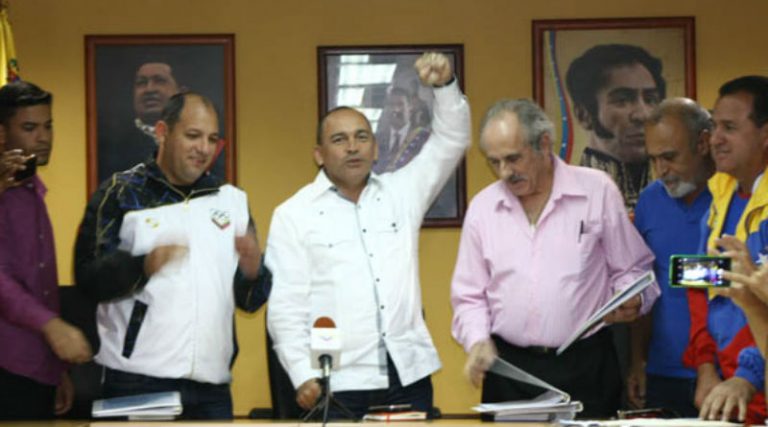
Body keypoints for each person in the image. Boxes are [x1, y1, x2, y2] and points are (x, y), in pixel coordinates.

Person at [266, 52, 470, 418]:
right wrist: (300, 374)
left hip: (407, 374)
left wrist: (444, 86)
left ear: (375, 148)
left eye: (362, 137)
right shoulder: (293, 215)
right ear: (319, 154)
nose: (353, 147)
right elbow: (285, 306)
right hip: (337, 380)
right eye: (339, 139)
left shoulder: (401, 194)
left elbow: (451, 141)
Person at [450, 98, 659, 418]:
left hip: (586, 365)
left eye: (513, 158)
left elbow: (633, 269)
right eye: (494, 162)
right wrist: (477, 340)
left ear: (544, 144)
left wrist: (634, 298)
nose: (505, 172)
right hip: (510, 370)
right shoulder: (483, 208)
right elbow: (469, 295)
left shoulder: (596, 190)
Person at [75, 92, 268, 420]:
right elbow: (88, 279)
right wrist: (142, 266)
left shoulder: (232, 201)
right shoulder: (121, 192)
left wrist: (253, 272)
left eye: (212, 139)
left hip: (213, 388)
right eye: (193, 135)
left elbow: (250, 301)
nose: (203, 148)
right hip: (136, 381)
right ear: (163, 132)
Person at [0, 81, 93, 420]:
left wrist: (56, 370)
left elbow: (41, 287)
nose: (43, 137)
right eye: (29, 128)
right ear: (1, 133)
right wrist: (51, 326)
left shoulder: (32, 190)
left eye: (48, 126)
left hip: (37, 367)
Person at [682, 76, 768, 424]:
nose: (715, 139)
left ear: (766, 134)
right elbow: (699, 289)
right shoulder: (719, 199)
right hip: (724, 386)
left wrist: (749, 375)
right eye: (714, 126)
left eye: (729, 128)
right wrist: (705, 367)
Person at [627, 98, 714, 416]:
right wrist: (637, 360)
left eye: (669, 157)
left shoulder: (734, 197)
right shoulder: (650, 200)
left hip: (728, 374)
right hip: (662, 372)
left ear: (703, 143)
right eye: (653, 159)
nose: (661, 170)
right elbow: (643, 285)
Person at [566, 44, 666, 213]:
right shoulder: (567, 197)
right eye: (622, 100)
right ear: (584, 115)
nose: (643, 115)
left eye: (650, 99)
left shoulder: (675, 195)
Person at [98, 61, 184, 182]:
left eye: (160, 81)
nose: (149, 89)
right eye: (141, 83)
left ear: (181, 92)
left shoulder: (197, 141)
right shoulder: (112, 148)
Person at [373, 86, 431, 174]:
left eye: (400, 104)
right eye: (391, 105)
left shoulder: (424, 138)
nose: (396, 110)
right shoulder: (375, 140)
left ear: (410, 107)